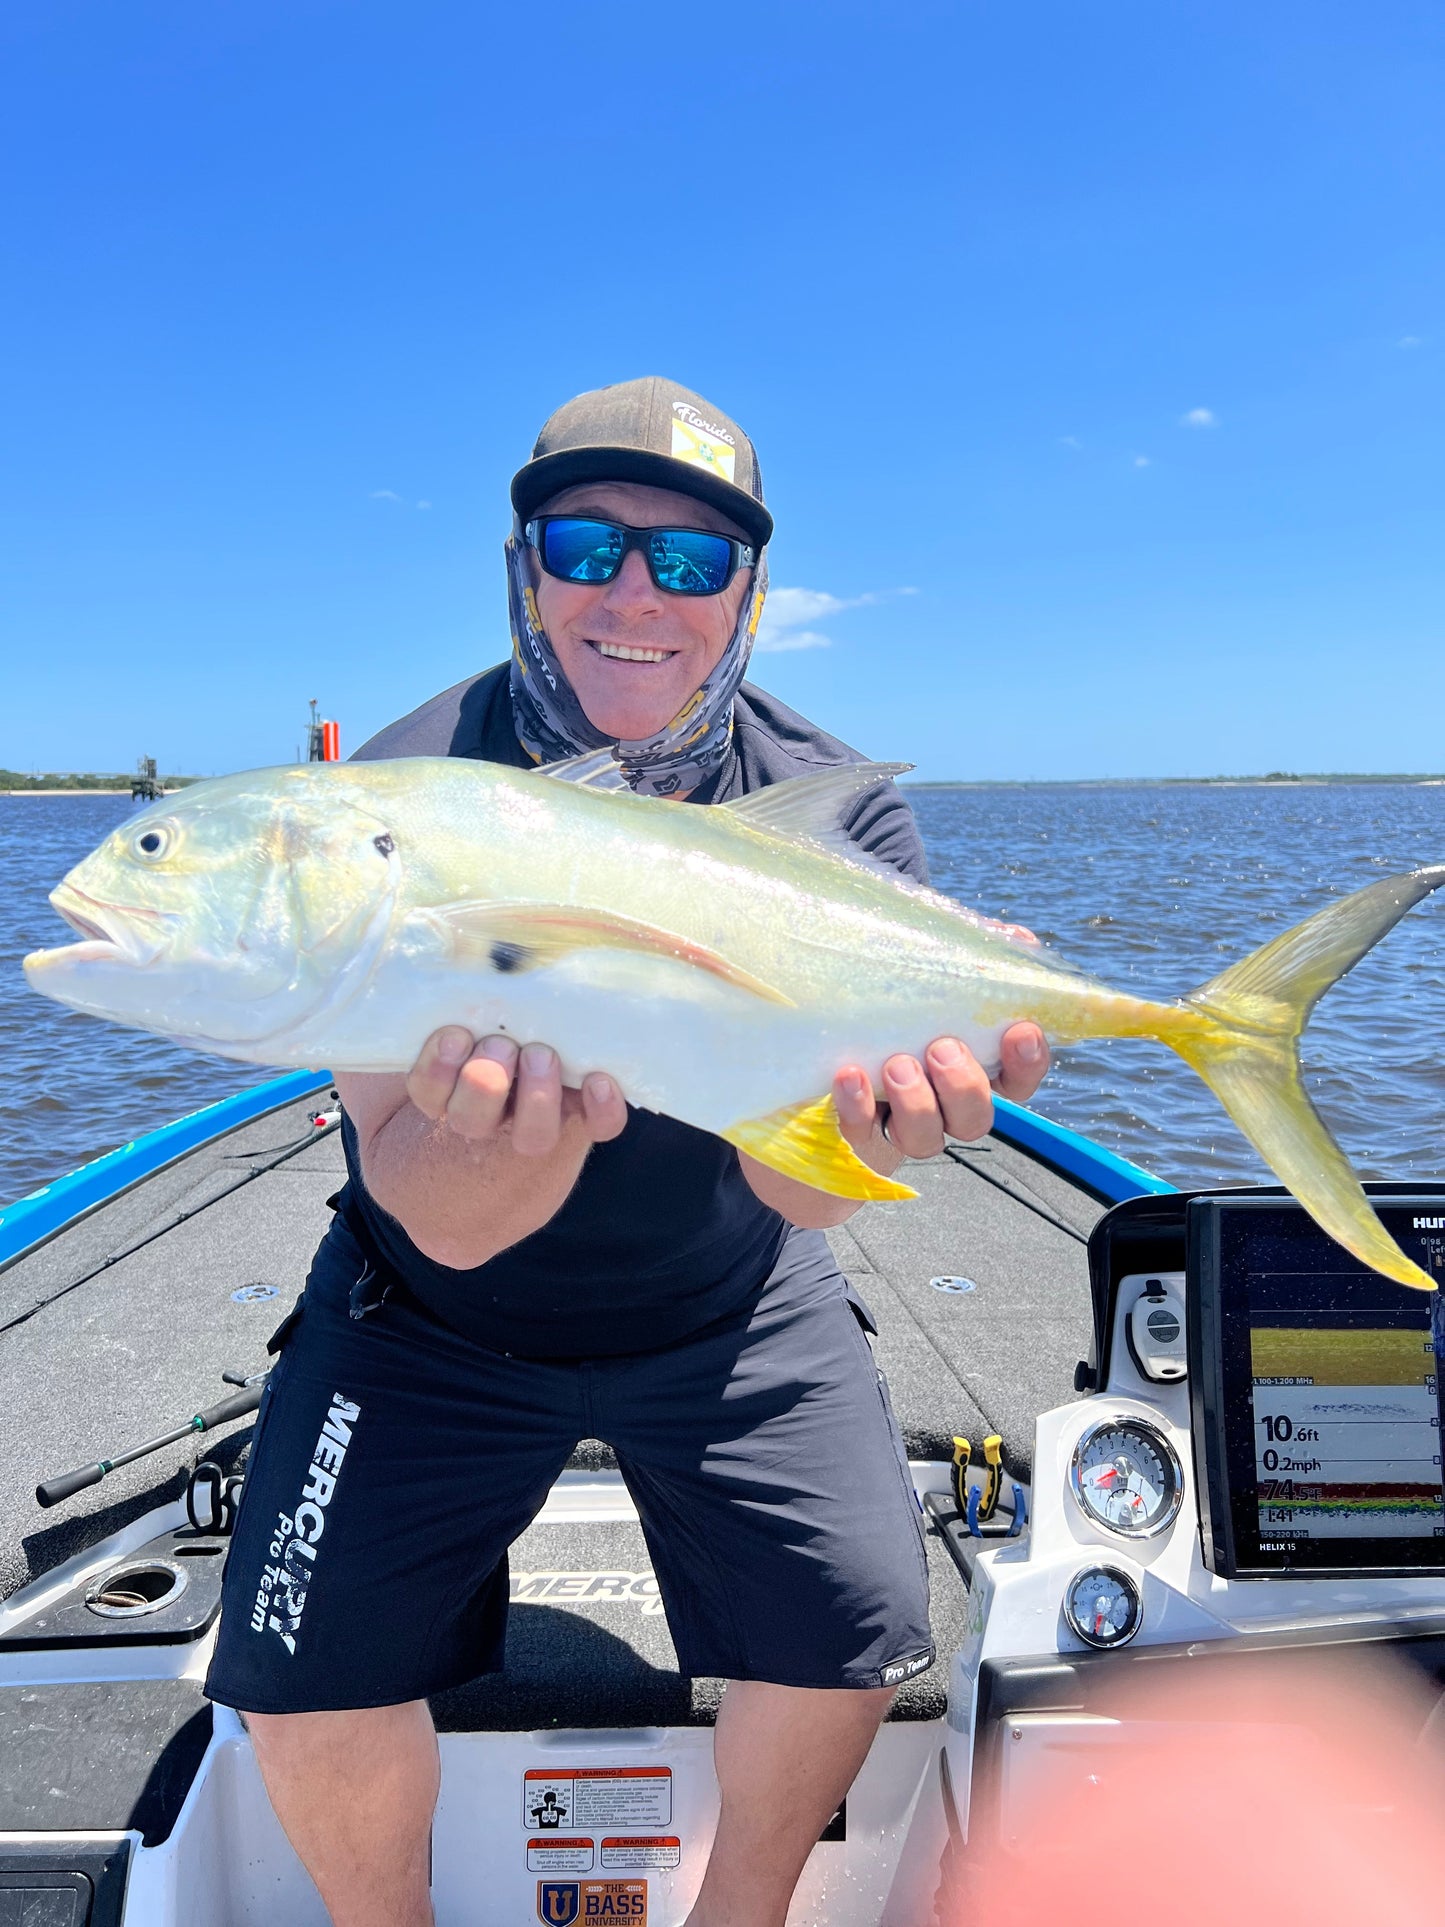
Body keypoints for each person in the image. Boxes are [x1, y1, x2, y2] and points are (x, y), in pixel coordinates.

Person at [204, 376, 1051, 1927]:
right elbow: (429, 1211)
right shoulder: (397, 801)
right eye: (587, 546)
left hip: (728, 1296)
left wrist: (884, 1134)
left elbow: (801, 1191)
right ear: (524, 568)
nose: (637, 594)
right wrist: (517, 1147)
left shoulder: (826, 813)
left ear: (748, 591)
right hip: (433, 1318)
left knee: (857, 1632)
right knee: (298, 1681)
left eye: (694, 558)